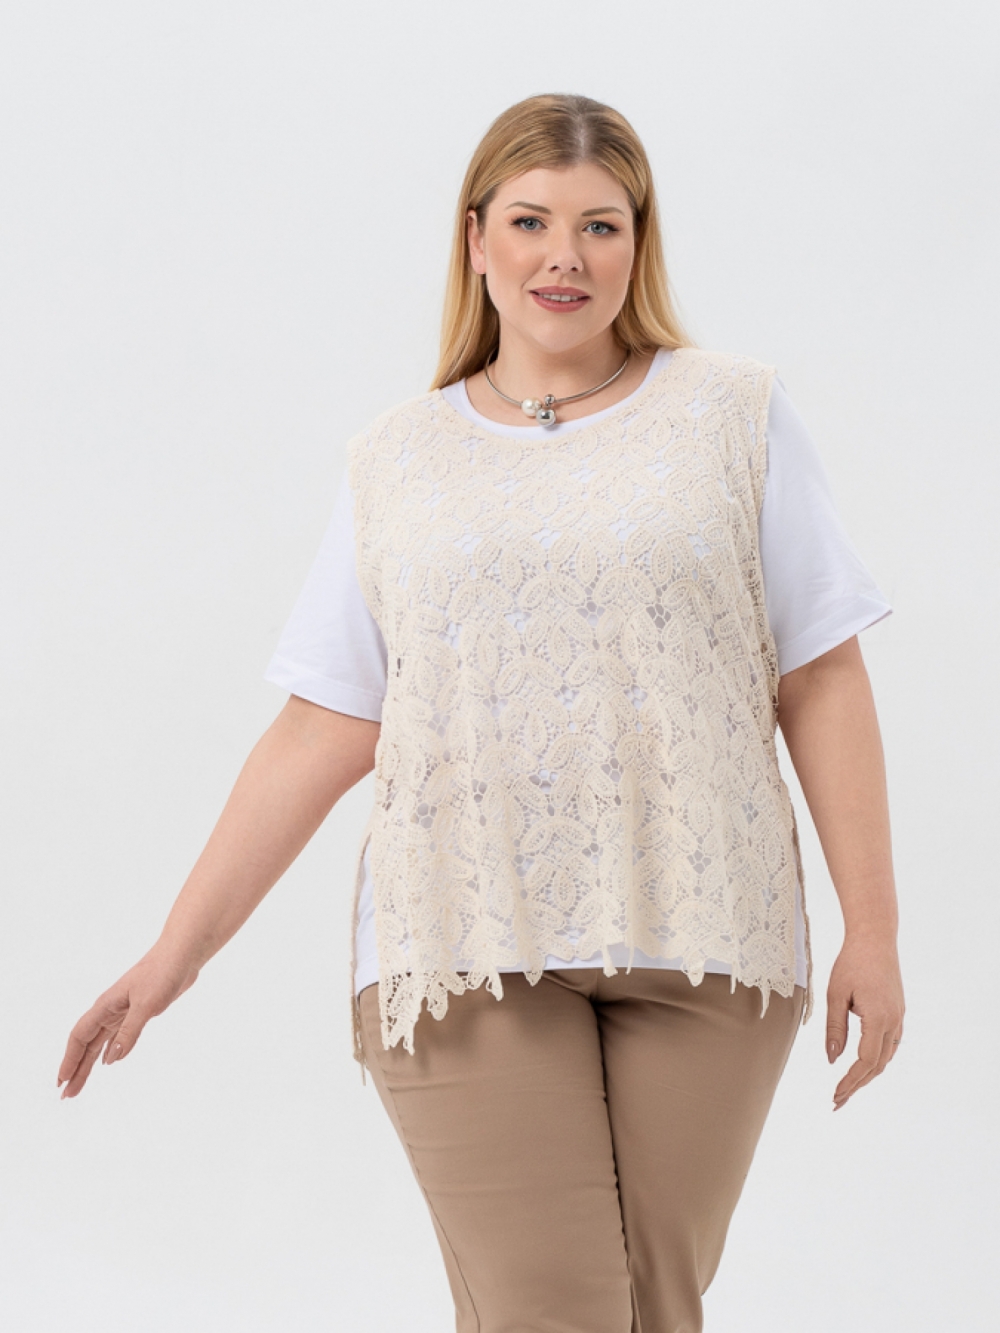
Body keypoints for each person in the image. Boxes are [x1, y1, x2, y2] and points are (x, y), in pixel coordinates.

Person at [58, 93, 906, 1333]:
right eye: (530, 221)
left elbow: (818, 675)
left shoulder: (732, 416)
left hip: (708, 928)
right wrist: (173, 954)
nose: (565, 256)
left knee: (649, 1308)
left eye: (600, 225)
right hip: (460, 937)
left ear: (639, 242)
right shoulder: (398, 460)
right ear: (475, 239)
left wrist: (872, 931)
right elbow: (323, 726)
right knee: (555, 1309)